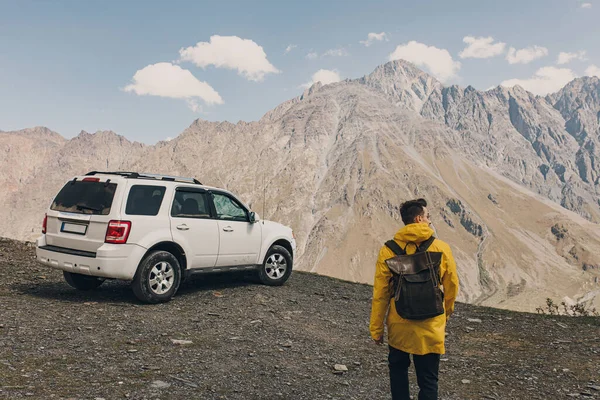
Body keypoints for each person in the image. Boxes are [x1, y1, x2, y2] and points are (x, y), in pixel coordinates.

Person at [370, 198, 459, 400]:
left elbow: (381, 293)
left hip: (399, 325)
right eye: (428, 217)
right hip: (431, 326)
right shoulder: (441, 248)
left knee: (398, 374)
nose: (429, 221)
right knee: (428, 380)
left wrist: (376, 329)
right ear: (419, 219)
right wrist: (446, 313)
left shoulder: (388, 249)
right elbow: (452, 285)